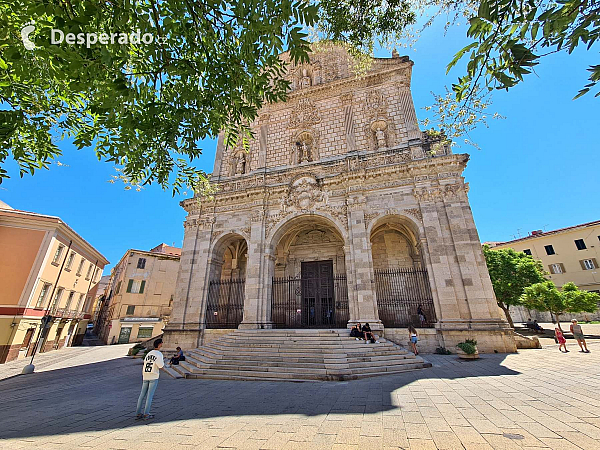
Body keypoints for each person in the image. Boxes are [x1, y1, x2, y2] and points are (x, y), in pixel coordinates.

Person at [135, 338, 164, 420]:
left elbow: (145, 362)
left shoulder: (149, 353)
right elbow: (161, 366)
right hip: (153, 376)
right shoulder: (159, 354)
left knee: (142, 395)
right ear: (159, 345)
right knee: (149, 396)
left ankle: (138, 413)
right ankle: (146, 413)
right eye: (161, 343)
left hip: (145, 375)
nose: (162, 344)